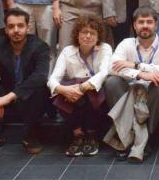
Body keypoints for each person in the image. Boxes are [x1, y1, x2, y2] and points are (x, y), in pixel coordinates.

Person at [0, 8, 50, 155]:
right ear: (6, 29)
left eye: (20, 26)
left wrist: (7, 98)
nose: (16, 30)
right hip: (5, 102)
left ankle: (30, 135)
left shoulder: (40, 47)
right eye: (11, 26)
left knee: (40, 86)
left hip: (31, 102)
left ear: (28, 28)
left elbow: (40, 76)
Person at [104, 7, 159, 161]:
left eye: (149, 22)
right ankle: (127, 134)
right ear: (134, 25)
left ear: (156, 25)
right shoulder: (126, 43)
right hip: (130, 94)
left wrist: (135, 65)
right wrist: (140, 74)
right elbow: (112, 67)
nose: (145, 25)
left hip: (153, 96)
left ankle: (145, 138)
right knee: (112, 82)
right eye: (141, 22)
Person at [48, 14, 112, 157]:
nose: (88, 36)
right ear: (77, 34)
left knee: (93, 90)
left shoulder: (105, 48)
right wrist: (63, 90)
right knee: (57, 94)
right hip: (72, 95)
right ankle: (77, 134)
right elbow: (52, 79)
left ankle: (91, 135)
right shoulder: (67, 51)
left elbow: (104, 72)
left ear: (98, 36)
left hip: (93, 94)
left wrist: (82, 88)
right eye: (84, 32)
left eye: (92, 33)